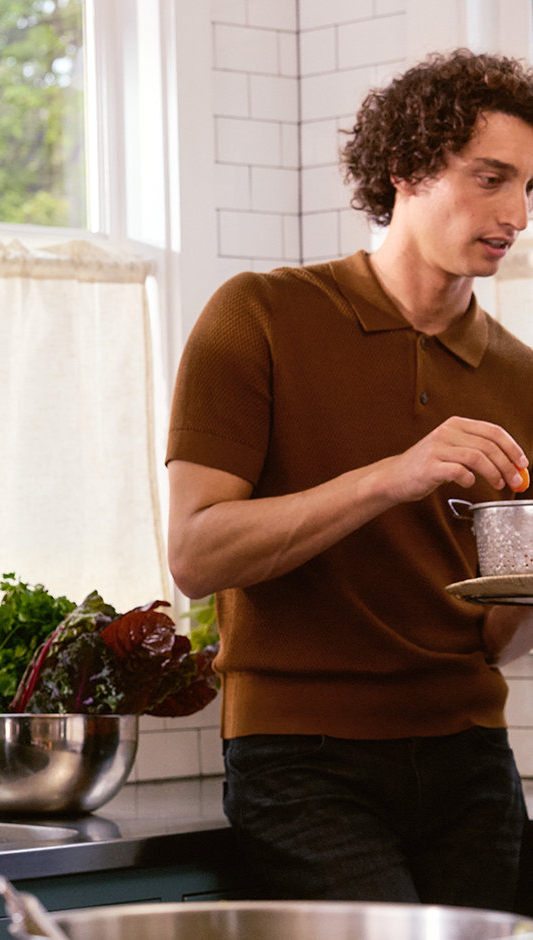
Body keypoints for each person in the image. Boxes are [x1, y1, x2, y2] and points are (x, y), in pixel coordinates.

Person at [167, 49, 533, 909]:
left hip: (472, 754)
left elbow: (501, 632)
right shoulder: (258, 315)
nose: (516, 213)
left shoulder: (521, 377)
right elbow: (195, 552)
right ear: (407, 168)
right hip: (301, 758)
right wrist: (393, 477)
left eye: (529, 188)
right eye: (491, 179)